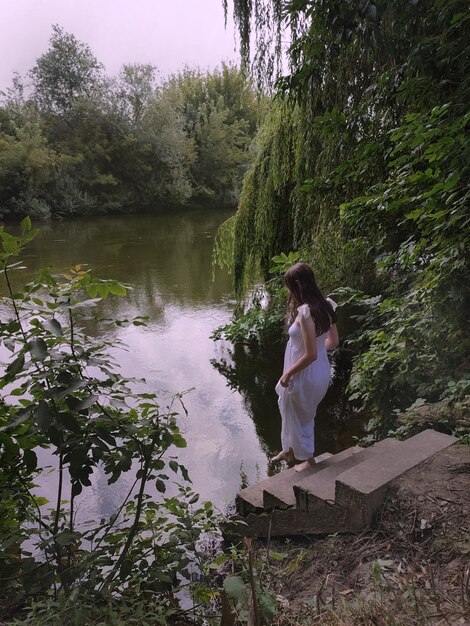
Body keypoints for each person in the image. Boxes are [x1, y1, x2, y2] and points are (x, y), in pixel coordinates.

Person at [272, 263, 339, 472]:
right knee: (294, 409)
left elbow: (310, 354)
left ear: (298, 285)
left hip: (303, 373)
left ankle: (307, 459)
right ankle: (290, 450)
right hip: (319, 371)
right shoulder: (327, 305)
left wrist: (288, 372)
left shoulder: (305, 312)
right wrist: (319, 347)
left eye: (290, 286)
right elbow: (333, 342)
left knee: (300, 414)